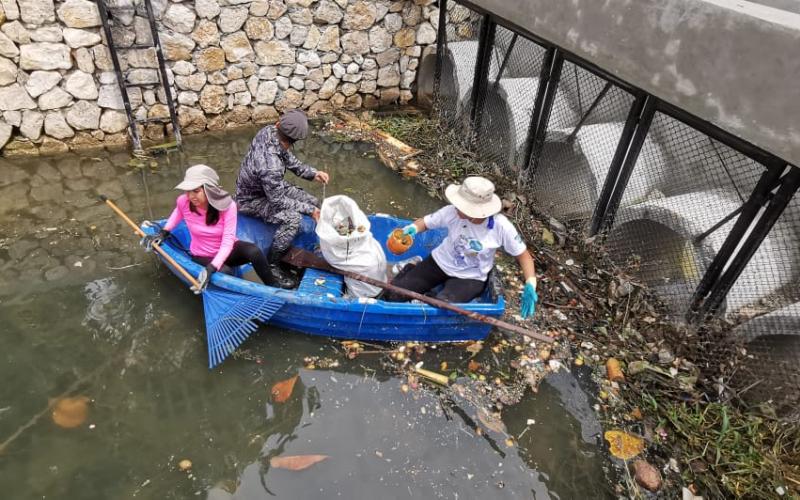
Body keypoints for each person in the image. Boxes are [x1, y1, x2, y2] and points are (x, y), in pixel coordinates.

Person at [383, 176, 539, 318]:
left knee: (440, 308)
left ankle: (432, 295)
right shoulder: (451, 212)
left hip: (471, 276)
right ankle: (412, 267)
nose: (456, 207)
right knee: (394, 295)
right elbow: (424, 223)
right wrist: (410, 230)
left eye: (462, 206)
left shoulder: (500, 227)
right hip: (440, 262)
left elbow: (523, 256)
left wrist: (530, 284)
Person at [141, 164, 291, 291]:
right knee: (225, 272)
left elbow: (228, 241)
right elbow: (176, 215)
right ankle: (237, 296)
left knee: (254, 251)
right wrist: (163, 233)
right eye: (188, 191)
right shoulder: (183, 201)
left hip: (227, 250)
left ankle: (274, 289)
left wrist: (212, 268)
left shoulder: (228, 206)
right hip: (202, 255)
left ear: (209, 189)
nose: (191, 196)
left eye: (196, 191)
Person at [235, 109, 330, 286]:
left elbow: (288, 158)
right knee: (292, 219)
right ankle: (273, 263)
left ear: (279, 124)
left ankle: (317, 243)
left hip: (269, 187)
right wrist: (310, 211)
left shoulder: (269, 131)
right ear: (295, 140)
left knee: (313, 201)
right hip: (251, 199)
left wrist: (312, 173)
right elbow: (277, 201)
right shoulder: (271, 167)